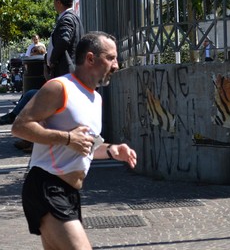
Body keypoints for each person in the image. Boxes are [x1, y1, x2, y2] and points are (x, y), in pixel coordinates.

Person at [11, 32, 137, 249]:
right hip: (47, 186)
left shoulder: (95, 98)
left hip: (70, 192)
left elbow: (85, 144)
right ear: (90, 59)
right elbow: (20, 126)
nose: (116, 65)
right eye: (111, 58)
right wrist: (68, 138)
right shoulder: (60, 87)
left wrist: (111, 150)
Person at [0, 44, 47, 126]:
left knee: (29, 93)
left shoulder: (44, 62)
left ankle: (13, 116)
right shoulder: (45, 61)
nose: (31, 53)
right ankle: (13, 116)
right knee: (27, 94)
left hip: (45, 92)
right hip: (40, 90)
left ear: (39, 52)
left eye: (33, 51)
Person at [47, 0, 84, 79]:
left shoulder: (67, 19)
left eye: (54, 1)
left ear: (58, 2)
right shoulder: (73, 17)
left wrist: (52, 59)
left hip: (65, 71)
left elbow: (64, 40)